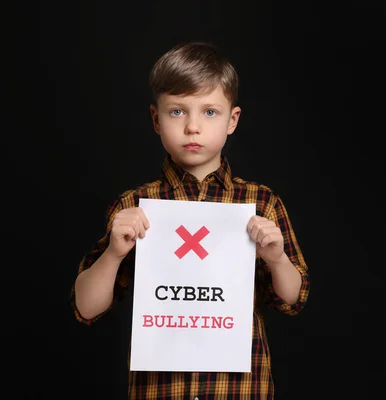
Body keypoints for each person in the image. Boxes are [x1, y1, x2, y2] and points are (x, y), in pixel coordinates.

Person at [70, 41, 310, 399]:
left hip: (240, 389)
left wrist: (275, 258)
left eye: (209, 112)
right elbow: (85, 308)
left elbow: (294, 299)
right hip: (161, 390)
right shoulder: (134, 206)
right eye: (178, 112)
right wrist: (114, 254)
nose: (193, 127)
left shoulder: (260, 202)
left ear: (232, 120)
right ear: (156, 119)